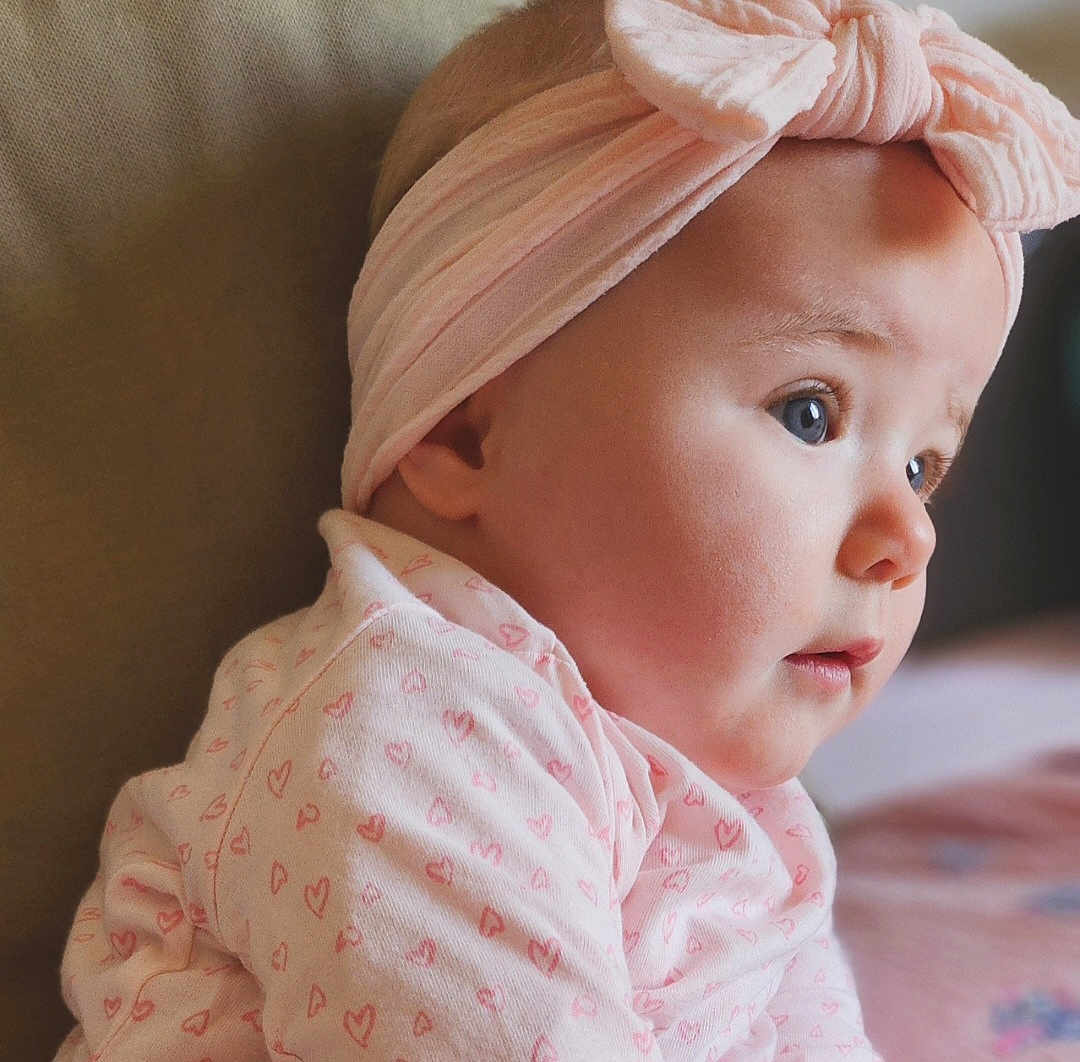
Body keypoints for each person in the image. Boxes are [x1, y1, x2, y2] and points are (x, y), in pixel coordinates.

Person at [51, 0, 1080, 1059]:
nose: (909, 536)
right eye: (809, 414)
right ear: (466, 437)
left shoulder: (750, 808)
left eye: (922, 468)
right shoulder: (401, 715)